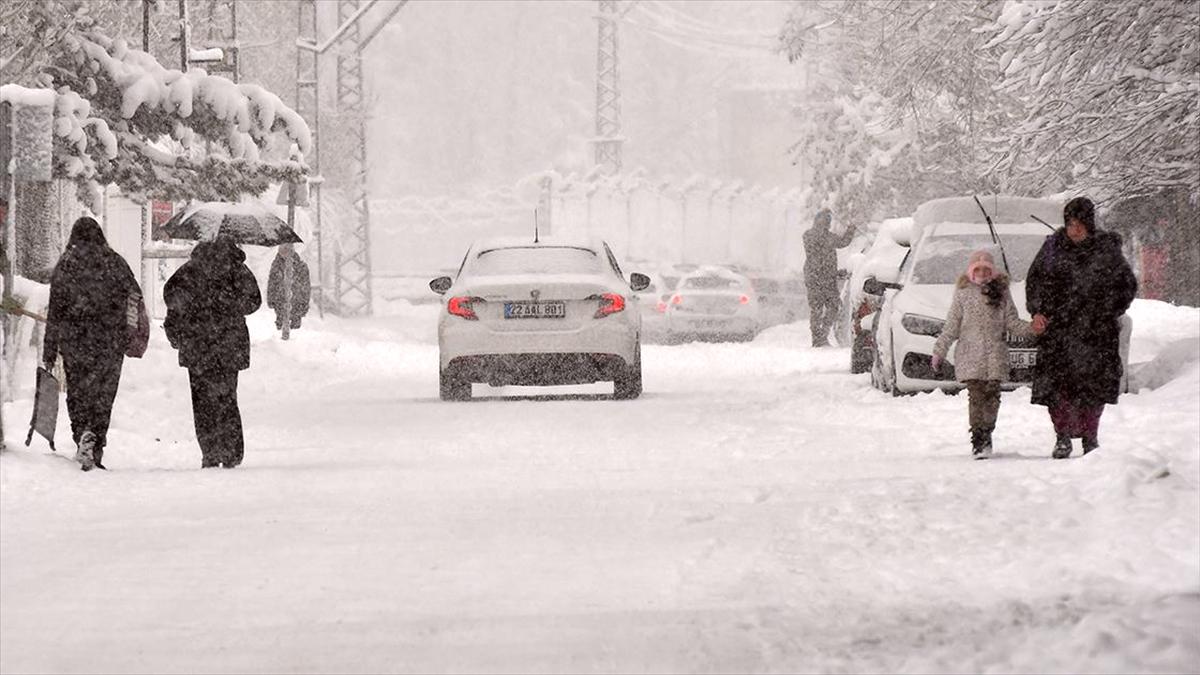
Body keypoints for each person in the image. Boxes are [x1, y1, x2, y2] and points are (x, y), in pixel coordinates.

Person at [1026, 196, 1138, 459]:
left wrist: (1110, 310)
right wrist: (1038, 311)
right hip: (1059, 331)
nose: (1074, 229)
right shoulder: (1052, 248)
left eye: (1079, 224)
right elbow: (1035, 282)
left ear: (1089, 223)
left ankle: (1090, 437)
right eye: (1069, 223)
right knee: (1059, 388)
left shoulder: (1106, 250)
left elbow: (1126, 285)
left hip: (1096, 332)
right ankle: (1062, 437)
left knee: (1093, 387)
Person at [42, 216, 142, 471]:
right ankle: (96, 441)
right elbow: (134, 294)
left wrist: (50, 348)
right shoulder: (114, 261)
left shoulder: (66, 264)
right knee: (103, 394)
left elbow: (55, 309)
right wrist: (129, 329)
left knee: (78, 391)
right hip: (109, 340)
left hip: (74, 340)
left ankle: (82, 434)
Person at [164, 236, 262, 469]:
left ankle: (210, 451)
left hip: (198, 344)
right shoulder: (238, 270)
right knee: (227, 397)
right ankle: (231, 452)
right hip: (229, 344)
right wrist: (228, 304)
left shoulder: (190, 270)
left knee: (202, 401)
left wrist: (183, 322)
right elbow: (254, 302)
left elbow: (171, 297)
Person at [931, 250, 1037, 458]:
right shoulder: (963, 293)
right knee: (977, 397)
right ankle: (978, 439)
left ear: (992, 271)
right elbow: (952, 326)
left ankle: (987, 432)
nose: (981, 273)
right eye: (977, 269)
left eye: (986, 269)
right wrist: (939, 351)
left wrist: (1032, 328)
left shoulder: (1001, 293)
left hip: (995, 356)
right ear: (971, 271)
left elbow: (1012, 322)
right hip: (970, 356)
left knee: (992, 398)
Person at [802, 208, 855, 347]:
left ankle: (821, 336)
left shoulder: (819, 236)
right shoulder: (811, 235)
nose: (829, 224)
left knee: (827, 307)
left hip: (822, 278)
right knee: (819, 308)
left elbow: (842, 242)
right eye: (827, 221)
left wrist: (850, 229)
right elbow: (842, 242)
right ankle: (819, 337)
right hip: (818, 279)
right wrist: (850, 229)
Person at [267, 245, 311, 331]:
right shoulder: (276, 266)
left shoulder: (301, 266)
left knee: (295, 332)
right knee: (280, 329)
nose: (284, 252)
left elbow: (306, 288)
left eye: (286, 249)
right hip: (280, 303)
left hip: (296, 304)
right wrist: (271, 300)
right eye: (282, 250)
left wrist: (304, 305)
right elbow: (272, 283)